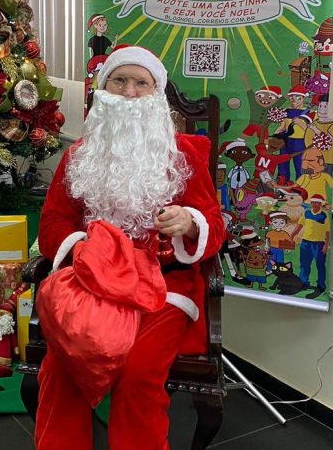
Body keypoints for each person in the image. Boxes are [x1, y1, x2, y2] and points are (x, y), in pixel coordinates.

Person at [35, 45, 225, 449]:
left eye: (142, 82)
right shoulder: (77, 157)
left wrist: (191, 223)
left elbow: (216, 225)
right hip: (92, 285)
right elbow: (53, 223)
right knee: (61, 366)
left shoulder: (183, 156)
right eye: (119, 80)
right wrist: (85, 251)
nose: (129, 92)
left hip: (164, 289)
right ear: (103, 90)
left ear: (156, 94)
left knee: (139, 373)